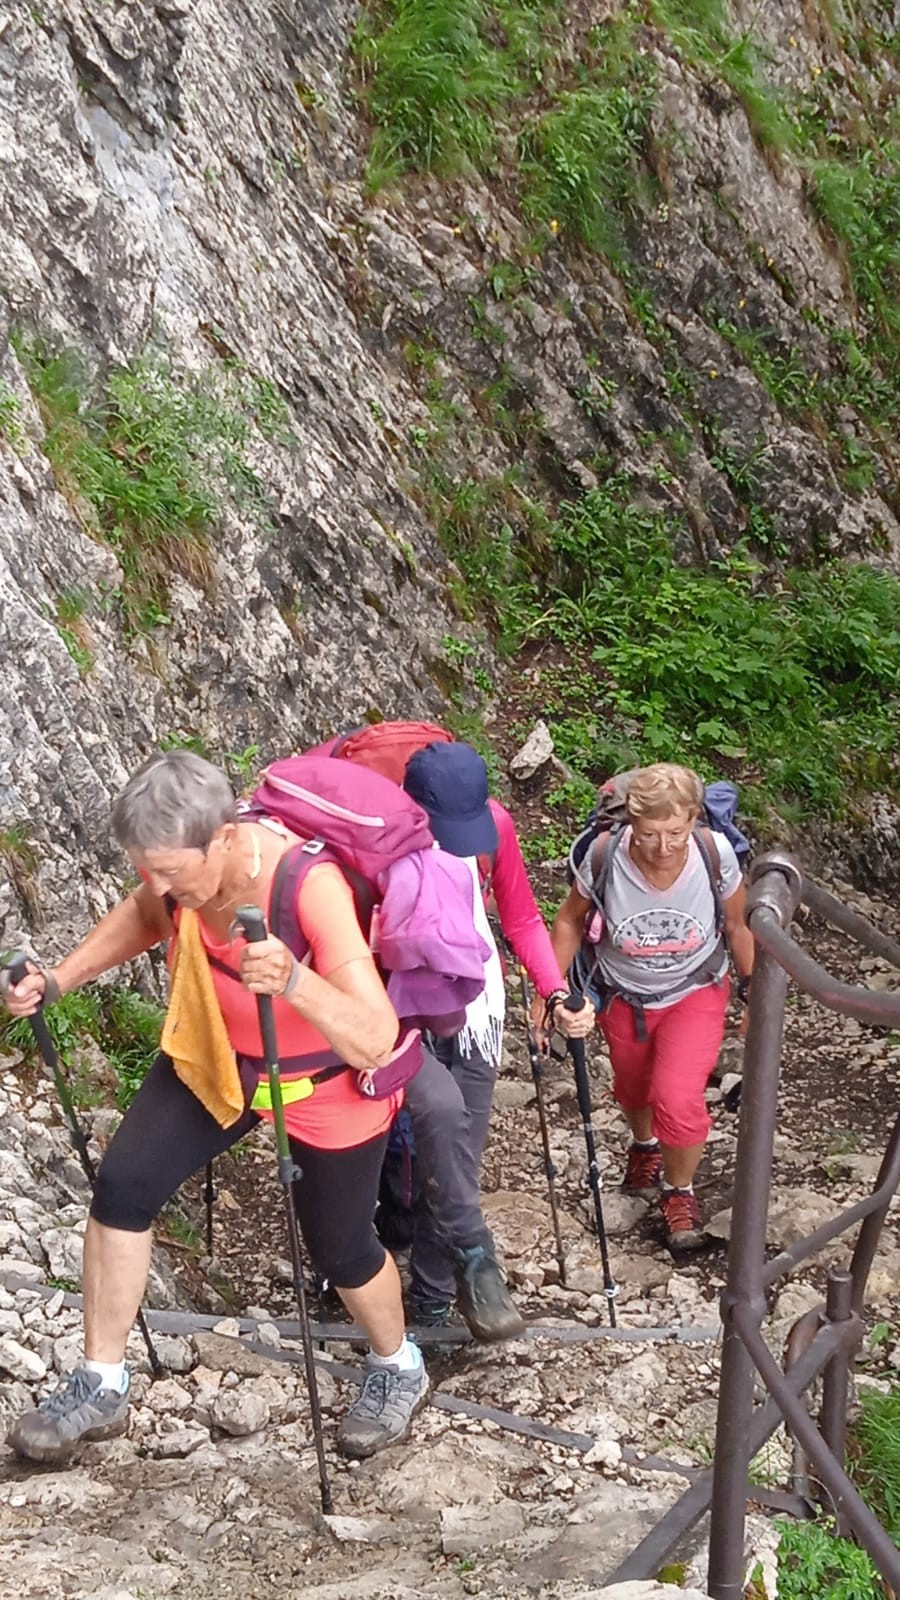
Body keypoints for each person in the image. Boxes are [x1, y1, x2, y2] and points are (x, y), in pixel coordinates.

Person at [0, 750, 429, 1464]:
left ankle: (397, 1368)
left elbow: (377, 1034)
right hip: (217, 1057)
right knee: (123, 1189)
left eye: (171, 870)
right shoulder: (173, 885)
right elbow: (145, 914)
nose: (160, 885)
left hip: (322, 1082)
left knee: (342, 1247)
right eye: (147, 867)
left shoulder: (307, 884)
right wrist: (59, 980)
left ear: (226, 838)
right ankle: (102, 1382)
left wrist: (294, 979)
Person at [401, 741, 593, 1329]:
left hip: (477, 1002)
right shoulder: (380, 838)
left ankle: (435, 1298)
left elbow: (522, 917)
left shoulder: (497, 829)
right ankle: (444, 1259)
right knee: (420, 1140)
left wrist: (554, 990)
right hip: (401, 1000)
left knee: (460, 1143)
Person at [546, 762, 754, 1254]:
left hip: (694, 990)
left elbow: (738, 925)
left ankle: (678, 1193)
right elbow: (569, 922)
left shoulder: (713, 853)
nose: (663, 847)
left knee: (677, 1097)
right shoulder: (603, 855)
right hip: (623, 992)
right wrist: (548, 990)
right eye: (650, 834)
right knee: (633, 1087)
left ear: (694, 821)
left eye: (676, 833)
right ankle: (644, 1148)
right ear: (630, 826)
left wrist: (755, 994)